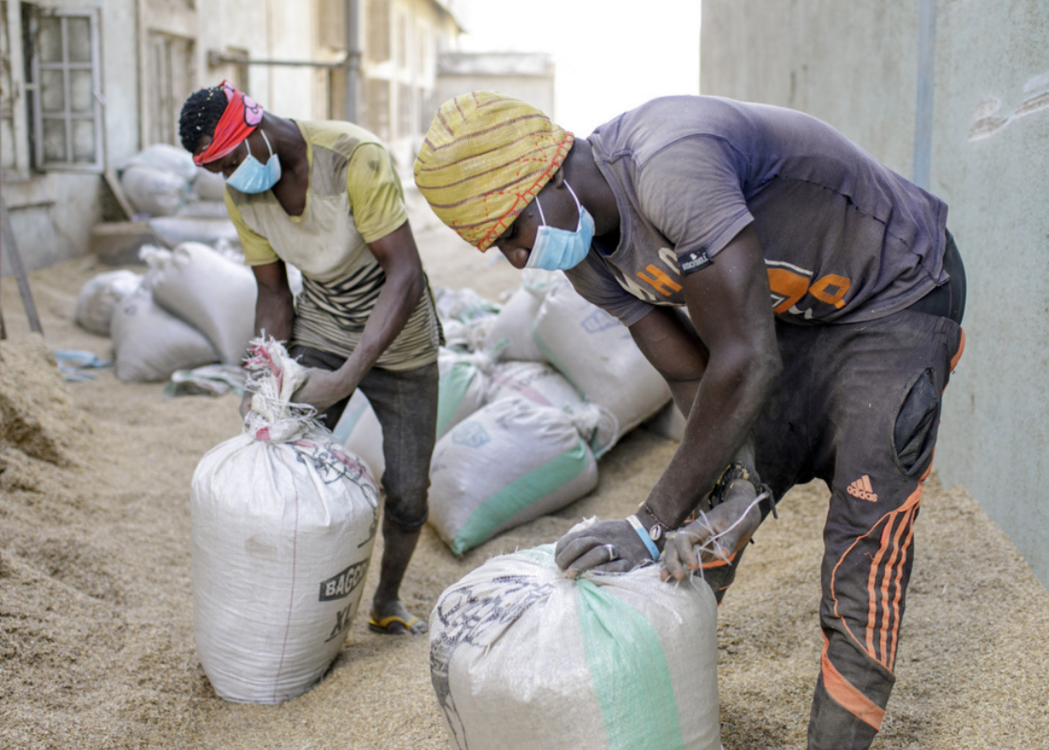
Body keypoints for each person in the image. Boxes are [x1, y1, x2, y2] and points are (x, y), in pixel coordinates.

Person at [413, 91, 965, 748]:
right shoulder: (587, 260)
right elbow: (690, 375)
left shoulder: (670, 164)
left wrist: (650, 521)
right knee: (705, 517)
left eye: (511, 233)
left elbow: (747, 359)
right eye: (495, 248)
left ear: (550, 175)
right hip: (793, 318)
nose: (514, 258)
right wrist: (722, 488)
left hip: (897, 294)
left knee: (862, 547)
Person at [178, 82, 443, 636]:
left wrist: (347, 376)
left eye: (230, 163)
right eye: (217, 172)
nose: (230, 179)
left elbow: (405, 274)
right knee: (283, 460)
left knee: (408, 492)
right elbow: (273, 293)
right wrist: (263, 378)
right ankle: (290, 606)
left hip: (400, 336)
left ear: (254, 128)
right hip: (323, 324)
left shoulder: (353, 158)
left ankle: (386, 600)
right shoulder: (243, 192)